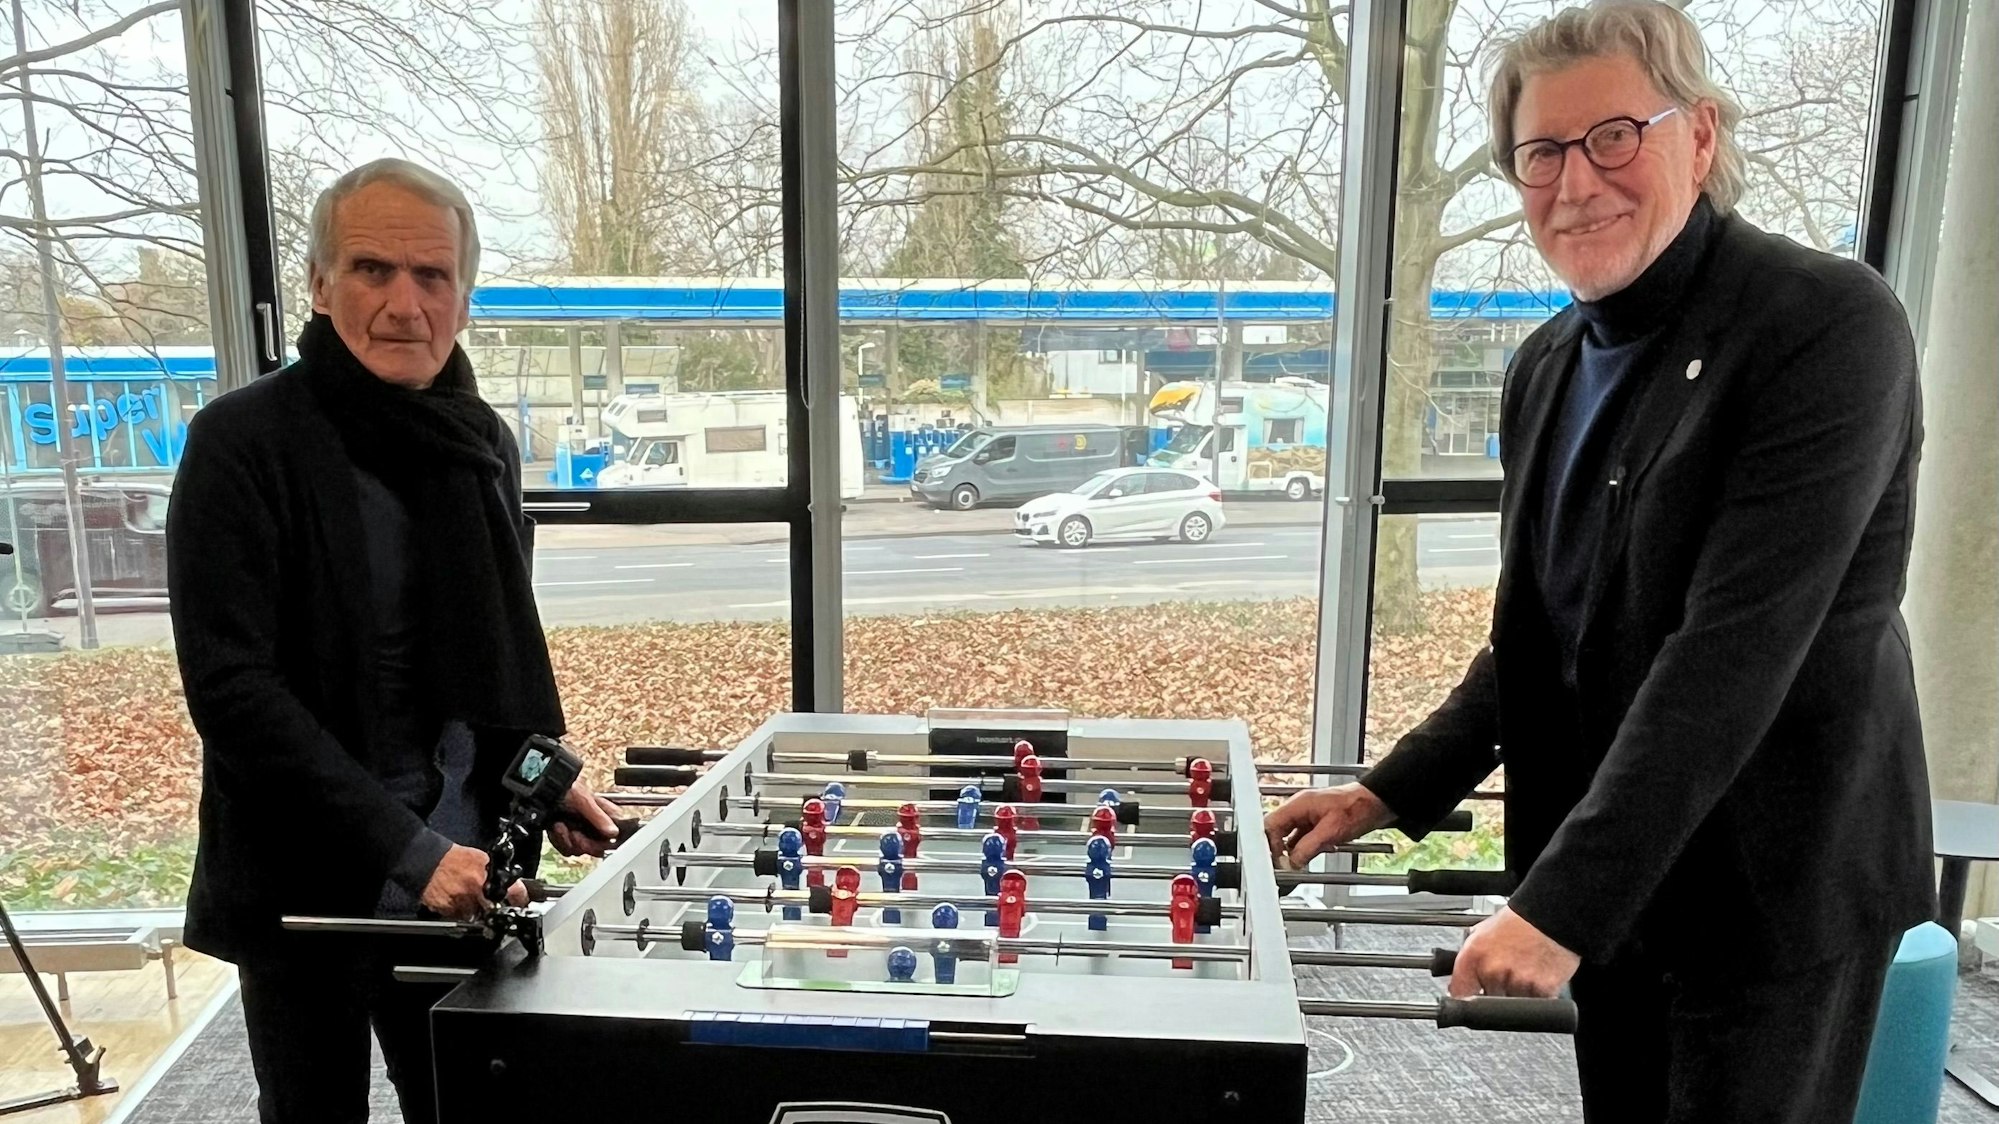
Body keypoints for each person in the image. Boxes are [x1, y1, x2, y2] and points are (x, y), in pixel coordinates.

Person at [1265, 3, 1931, 1121]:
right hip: (1628, 883)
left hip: (1774, 892)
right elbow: (1536, 635)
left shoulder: (1826, 323)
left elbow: (1731, 653)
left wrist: (1561, 902)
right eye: (1542, 151)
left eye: (1613, 135)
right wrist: (1396, 784)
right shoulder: (1545, 365)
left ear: (1700, 137)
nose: (1576, 181)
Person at [167, 158, 622, 1124]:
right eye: (373, 270)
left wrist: (533, 771)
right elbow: (231, 689)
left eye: (432, 276)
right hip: (307, 879)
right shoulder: (241, 442)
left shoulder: (481, 443)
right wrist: (408, 850)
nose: (403, 304)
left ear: (463, 294)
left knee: (471, 1107)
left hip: (464, 869)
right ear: (321, 285)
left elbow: (480, 666)